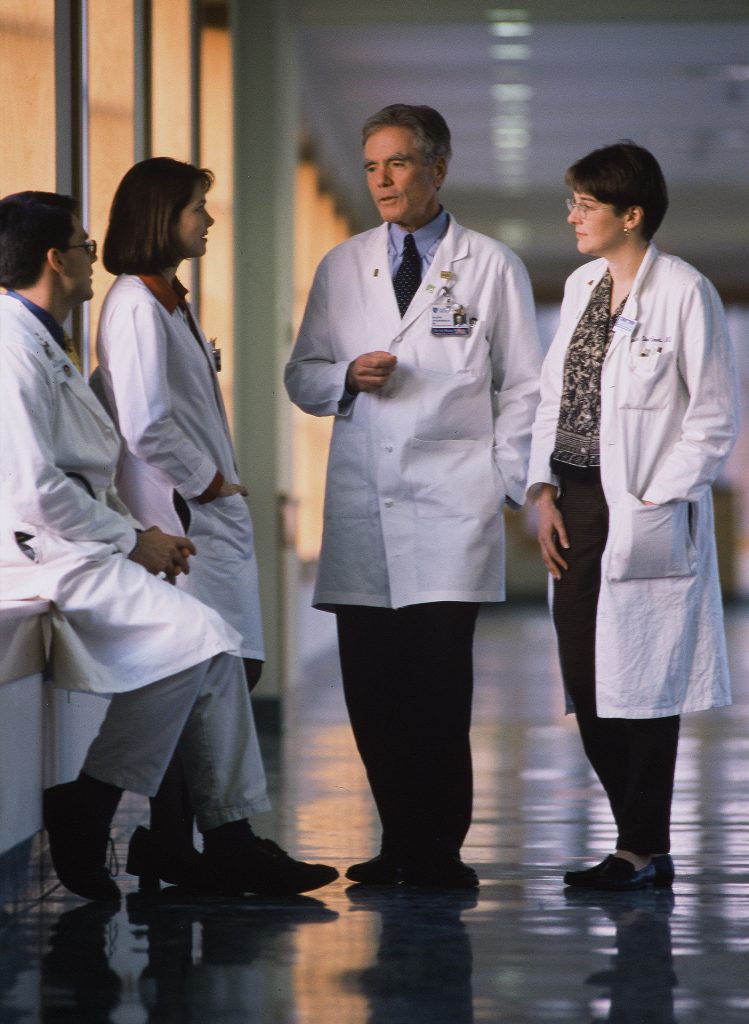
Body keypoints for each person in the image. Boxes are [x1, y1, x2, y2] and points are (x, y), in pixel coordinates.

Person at [0, 191, 338, 901]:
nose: (95, 257)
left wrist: (142, 536)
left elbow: (92, 466)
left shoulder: (45, 341)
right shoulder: (11, 347)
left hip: (80, 541)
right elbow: (33, 487)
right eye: (84, 245)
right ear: (56, 258)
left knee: (211, 653)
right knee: (203, 637)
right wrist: (135, 539)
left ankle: (229, 838)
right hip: (39, 550)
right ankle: (92, 804)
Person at [285, 104, 541, 889]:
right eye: (370, 167)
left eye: (396, 164)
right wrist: (342, 380)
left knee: (436, 689)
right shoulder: (342, 264)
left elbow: (525, 386)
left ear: (436, 166)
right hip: (365, 504)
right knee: (372, 690)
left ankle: (438, 848)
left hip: (450, 508)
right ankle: (397, 839)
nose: (382, 182)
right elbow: (302, 374)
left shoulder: (491, 265)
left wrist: (501, 483)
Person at [526, 142, 739, 891]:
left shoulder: (685, 292)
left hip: (647, 505)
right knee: (586, 681)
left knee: (645, 684)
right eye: (573, 202)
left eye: (586, 204)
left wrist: (656, 498)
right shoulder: (584, 284)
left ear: (631, 214)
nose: (573, 216)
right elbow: (552, 399)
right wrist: (539, 489)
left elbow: (711, 417)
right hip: (576, 503)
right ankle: (638, 838)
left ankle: (638, 849)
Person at [93, 157, 266, 889]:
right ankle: (190, 843)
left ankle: (175, 843)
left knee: (220, 673)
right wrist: (211, 481)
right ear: (163, 215)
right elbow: (145, 421)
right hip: (181, 516)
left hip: (204, 514)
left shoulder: (170, 299)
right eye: (199, 206)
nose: (209, 219)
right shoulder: (134, 302)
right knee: (210, 672)